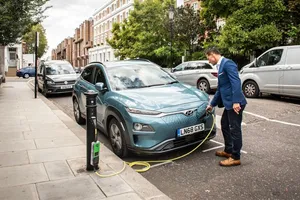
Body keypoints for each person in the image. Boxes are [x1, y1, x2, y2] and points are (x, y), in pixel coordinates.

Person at [205, 47, 247, 167]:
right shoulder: (220, 66)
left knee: (235, 129)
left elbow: (236, 82)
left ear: (213, 55)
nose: (209, 61)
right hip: (229, 104)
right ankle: (228, 150)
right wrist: (212, 104)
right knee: (224, 124)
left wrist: (236, 101)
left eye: (208, 58)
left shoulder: (227, 63)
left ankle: (235, 157)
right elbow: (221, 88)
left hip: (235, 104)